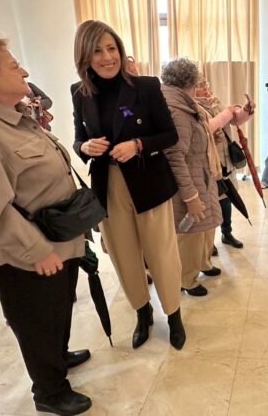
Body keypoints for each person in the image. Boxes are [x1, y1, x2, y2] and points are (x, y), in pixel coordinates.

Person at [0, 29, 92, 415]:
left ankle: (56, 358)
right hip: (21, 252)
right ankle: (50, 391)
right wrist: (35, 250)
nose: (24, 70)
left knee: (57, 308)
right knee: (36, 320)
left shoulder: (13, 115)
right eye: (12, 66)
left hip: (55, 235)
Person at [70, 20, 185, 351]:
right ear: (84, 56)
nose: (107, 57)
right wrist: (83, 147)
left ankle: (174, 314)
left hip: (149, 182)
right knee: (123, 254)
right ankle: (142, 311)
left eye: (112, 48)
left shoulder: (147, 86)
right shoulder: (79, 93)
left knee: (161, 253)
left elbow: (169, 134)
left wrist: (137, 145)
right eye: (97, 50)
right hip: (107, 185)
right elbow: (79, 136)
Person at [160, 57, 252, 297]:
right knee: (190, 233)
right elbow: (176, 155)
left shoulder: (188, 104)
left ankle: (201, 264)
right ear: (189, 83)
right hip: (192, 179)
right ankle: (186, 279)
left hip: (205, 172)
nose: (204, 87)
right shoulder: (177, 109)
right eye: (199, 83)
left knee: (203, 227)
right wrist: (190, 194)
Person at [194, 74, 255, 249]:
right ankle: (209, 243)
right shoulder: (192, 107)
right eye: (201, 85)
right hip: (208, 161)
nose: (206, 88)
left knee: (227, 198)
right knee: (210, 202)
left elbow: (235, 120)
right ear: (191, 88)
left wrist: (246, 110)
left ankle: (226, 233)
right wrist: (227, 112)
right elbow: (210, 127)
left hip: (225, 157)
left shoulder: (214, 101)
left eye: (206, 83)